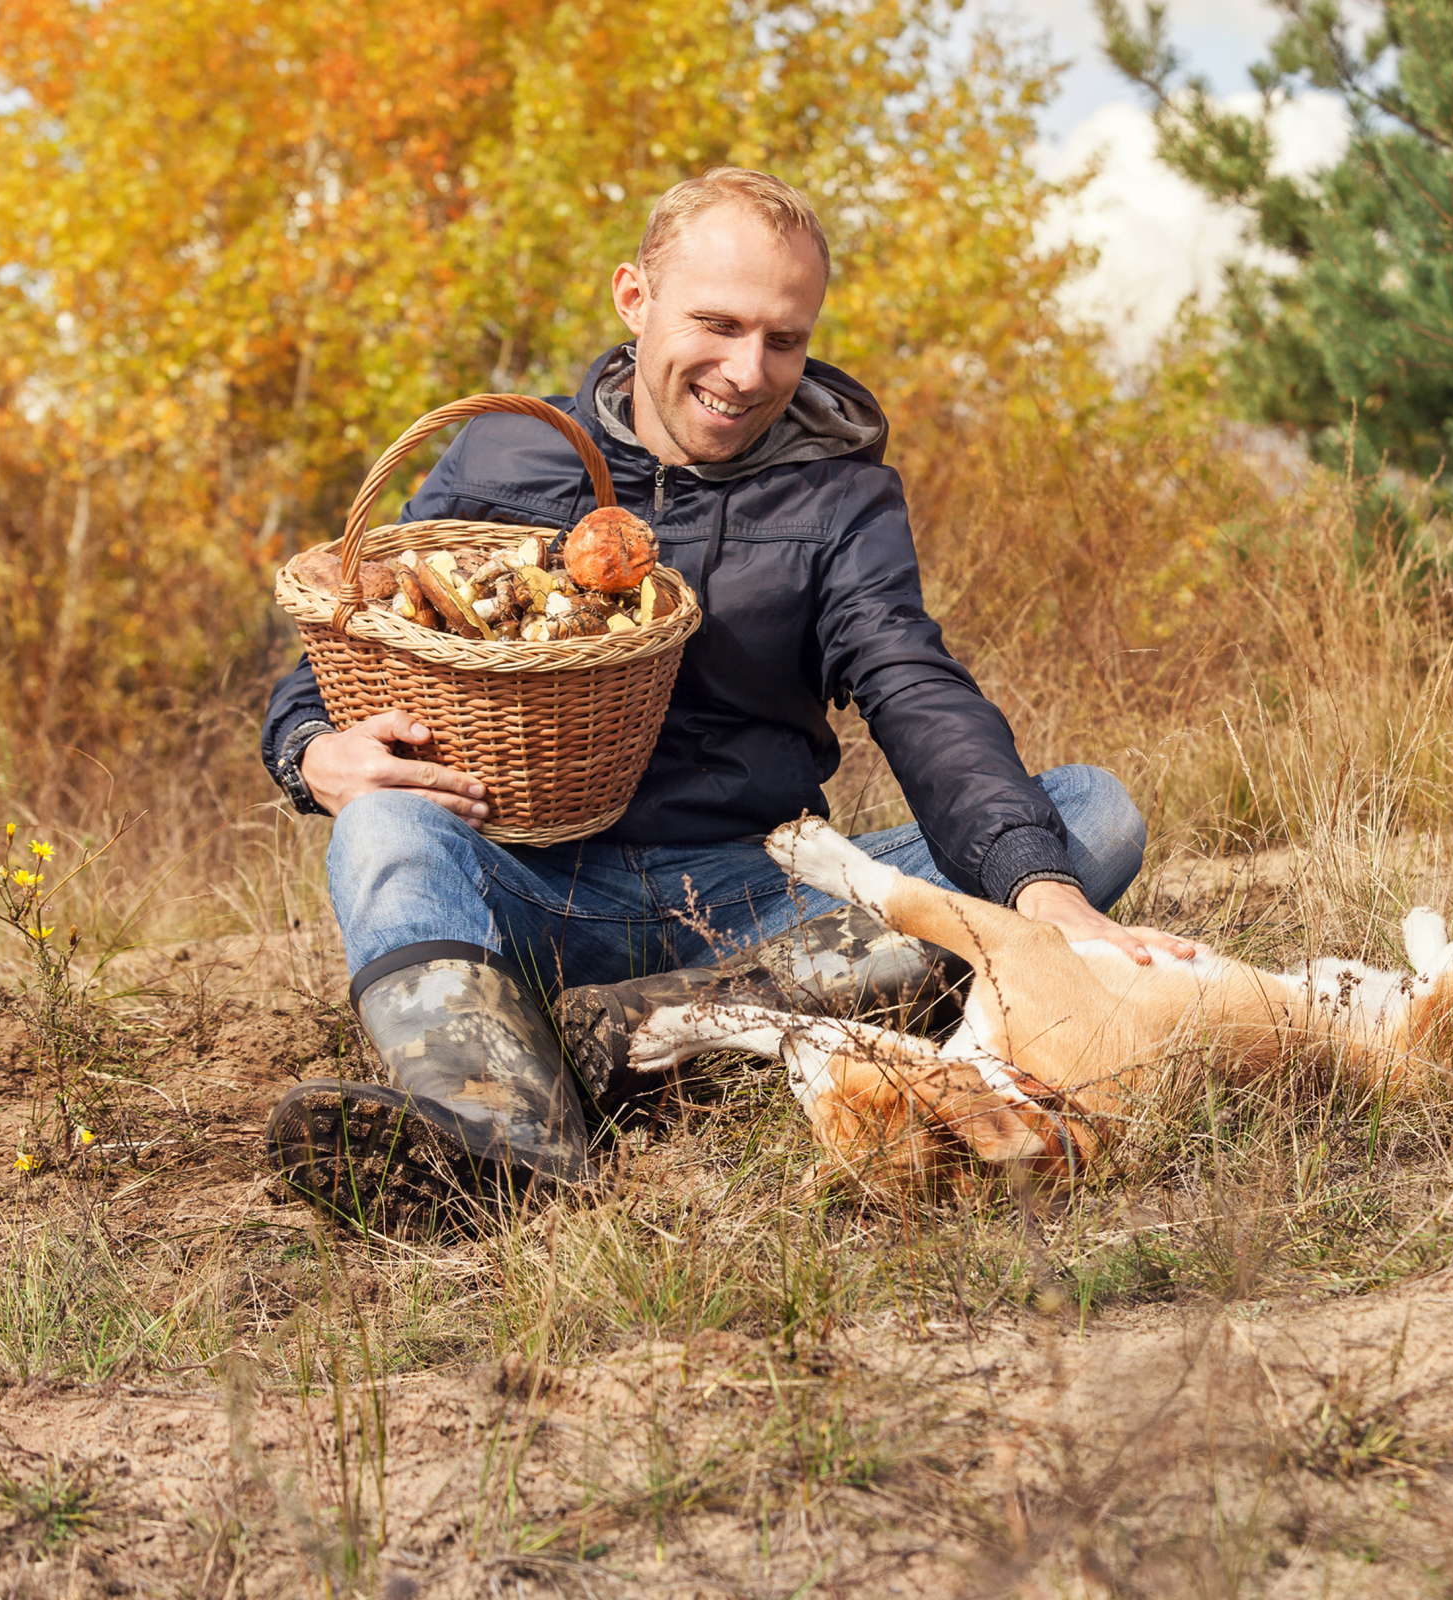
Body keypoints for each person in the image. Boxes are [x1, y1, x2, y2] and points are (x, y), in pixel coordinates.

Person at [256, 168, 1190, 1223]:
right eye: (718, 323)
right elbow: (355, 638)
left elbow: (909, 681)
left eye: (784, 338)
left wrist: (1042, 893)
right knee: (381, 826)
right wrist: (309, 749)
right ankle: (506, 1135)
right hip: (524, 888)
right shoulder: (503, 451)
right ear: (633, 299)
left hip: (755, 897)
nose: (749, 371)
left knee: (1088, 817)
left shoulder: (841, 497)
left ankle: (665, 1028)